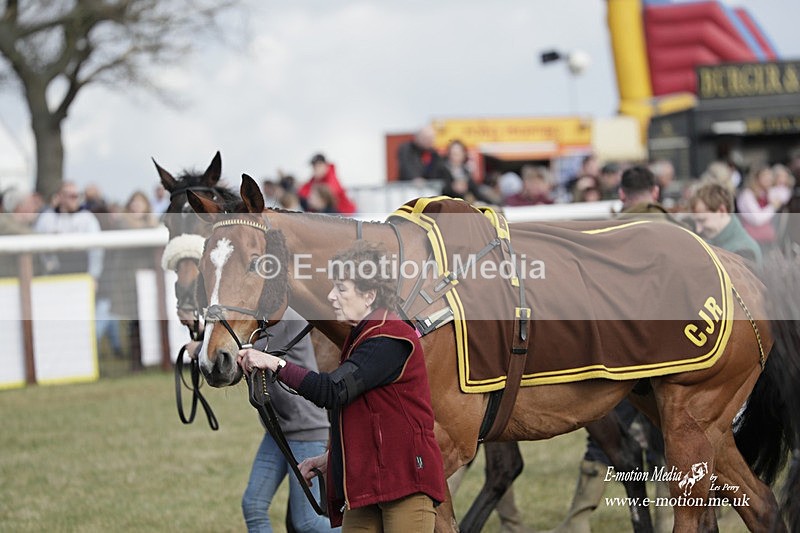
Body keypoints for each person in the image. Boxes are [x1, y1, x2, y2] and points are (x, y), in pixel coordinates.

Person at [237, 241, 446, 531]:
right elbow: (369, 416)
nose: (331, 296)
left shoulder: (389, 338)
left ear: (369, 295)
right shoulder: (363, 336)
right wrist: (331, 459)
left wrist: (275, 364)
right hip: (368, 484)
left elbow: (333, 391)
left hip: (406, 482)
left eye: (341, 289)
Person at [241, 307, 336, 533]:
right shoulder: (260, 319)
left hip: (306, 430)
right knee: (253, 506)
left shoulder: (288, 317)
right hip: (278, 430)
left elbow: (248, 352)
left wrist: (204, 345)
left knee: (307, 523)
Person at [33, 181, 104, 283]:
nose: (75, 199)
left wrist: (93, 276)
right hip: (52, 275)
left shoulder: (87, 218)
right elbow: (36, 246)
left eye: (77, 196)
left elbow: (96, 250)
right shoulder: (47, 218)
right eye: (71, 196)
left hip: (80, 273)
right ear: (60, 197)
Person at [690, 181, 762, 267]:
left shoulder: (744, 251)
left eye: (703, 220)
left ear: (722, 210)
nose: (698, 229)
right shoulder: (716, 240)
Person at [736, 164, 780, 249]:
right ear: (756, 177)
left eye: (770, 176)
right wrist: (773, 206)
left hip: (767, 241)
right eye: (765, 175)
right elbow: (757, 220)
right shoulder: (747, 195)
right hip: (752, 241)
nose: (769, 179)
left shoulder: (767, 193)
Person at [437, 139, 493, 204]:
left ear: (464, 154)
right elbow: (438, 187)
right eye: (453, 153)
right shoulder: (441, 169)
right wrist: (452, 187)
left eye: (458, 154)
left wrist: (491, 203)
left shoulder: (466, 172)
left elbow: (475, 191)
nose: (455, 157)